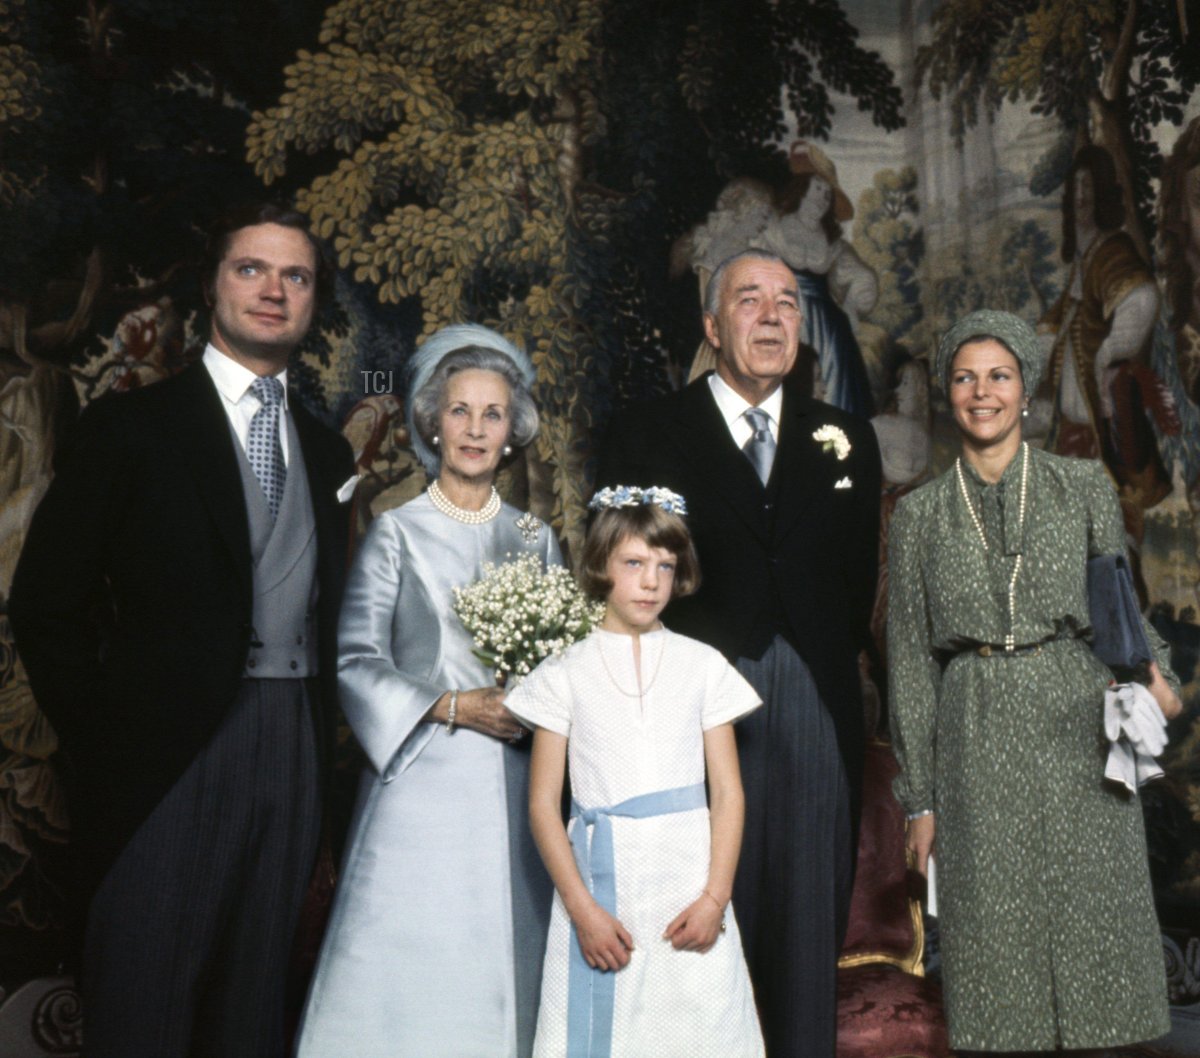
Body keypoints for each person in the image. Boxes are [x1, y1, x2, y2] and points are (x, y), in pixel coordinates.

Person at [8, 202, 355, 1058]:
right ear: (213, 287)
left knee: (250, 1013)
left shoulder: (325, 452)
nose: (273, 291)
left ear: (312, 302)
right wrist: (109, 733)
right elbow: (46, 605)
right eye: (252, 270)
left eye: (296, 276)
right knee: (145, 1004)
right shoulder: (131, 429)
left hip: (293, 755)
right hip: (164, 756)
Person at [596, 249, 882, 1058]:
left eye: (787, 303)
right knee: (691, 932)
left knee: (801, 933)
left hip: (814, 707)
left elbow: (856, 581)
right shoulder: (647, 433)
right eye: (749, 300)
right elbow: (616, 586)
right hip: (687, 706)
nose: (770, 316)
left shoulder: (848, 439)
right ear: (713, 326)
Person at [888, 309, 1182, 1053]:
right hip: (974, 724)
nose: (981, 393)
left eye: (999, 376)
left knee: (1095, 922)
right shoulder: (916, 515)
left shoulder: (1080, 484)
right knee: (996, 934)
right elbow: (910, 663)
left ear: (1024, 393)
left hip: (1075, 716)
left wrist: (1158, 677)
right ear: (946, 394)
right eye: (964, 377)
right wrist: (919, 799)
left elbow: (1118, 607)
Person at [295, 323, 559, 1058]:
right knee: (408, 985)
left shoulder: (538, 541)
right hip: (418, 786)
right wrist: (450, 705)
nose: (476, 429)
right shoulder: (394, 532)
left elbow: (566, 670)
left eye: (493, 414)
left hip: (515, 789)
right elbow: (352, 661)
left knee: (501, 976)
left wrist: (533, 706)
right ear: (431, 424)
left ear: (513, 431)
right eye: (460, 411)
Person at [506, 488, 765, 1057]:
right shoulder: (564, 672)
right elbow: (543, 806)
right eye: (634, 564)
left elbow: (728, 793)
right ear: (601, 564)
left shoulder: (702, 666)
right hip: (603, 891)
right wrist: (583, 911)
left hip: (687, 887)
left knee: (701, 1026)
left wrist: (714, 899)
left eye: (665, 567)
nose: (651, 582)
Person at [1040, 144, 1172, 534]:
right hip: (1074, 433)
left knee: (1111, 541)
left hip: (1103, 434)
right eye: (1076, 187)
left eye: (1089, 186)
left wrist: (1111, 352)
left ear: (1102, 193)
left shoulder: (1110, 251)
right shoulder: (1084, 262)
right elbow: (1059, 322)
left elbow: (1142, 296)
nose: (1082, 195)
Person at [752, 140, 879, 416]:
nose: (823, 198)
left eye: (828, 194)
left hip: (829, 329)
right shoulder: (775, 230)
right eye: (818, 189)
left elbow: (863, 278)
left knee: (835, 396)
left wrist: (852, 307)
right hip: (784, 322)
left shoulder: (831, 242)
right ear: (802, 189)